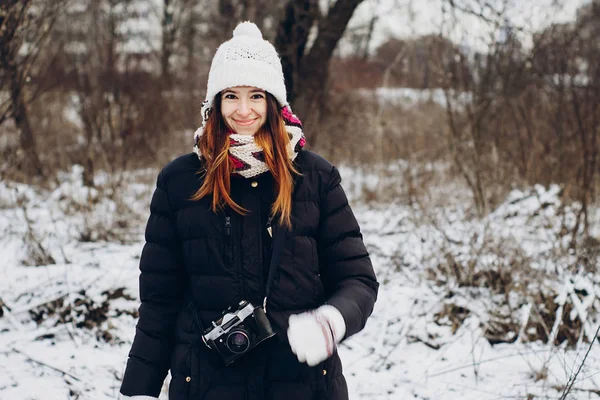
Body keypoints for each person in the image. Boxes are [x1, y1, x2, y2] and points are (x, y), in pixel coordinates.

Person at [119, 21, 378, 400]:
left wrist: (330, 321)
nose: (243, 110)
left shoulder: (315, 177)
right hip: (207, 385)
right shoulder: (180, 181)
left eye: (256, 96)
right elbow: (159, 301)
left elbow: (359, 280)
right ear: (215, 102)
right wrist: (139, 390)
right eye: (231, 96)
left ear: (274, 103)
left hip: (302, 385)